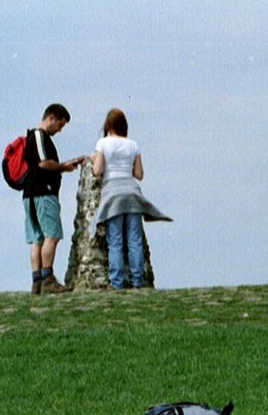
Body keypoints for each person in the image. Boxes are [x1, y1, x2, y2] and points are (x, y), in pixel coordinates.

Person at [88, 108, 171, 289]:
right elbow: (139, 174)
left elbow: (98, 170)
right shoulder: (133, 145)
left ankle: (116, 283)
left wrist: (95, 160)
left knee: (115, 240)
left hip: (113, 194)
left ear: (108, 126)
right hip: (133, 193)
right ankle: (137, 282)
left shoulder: (103, 143)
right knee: (134, 240)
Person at [23, 103, 85, 294]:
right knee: (52, 235)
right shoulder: (39, 136)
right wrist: (64, 167)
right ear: (51, 118)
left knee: (37, 239)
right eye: (60, 125)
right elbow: (44, 163)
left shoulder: (31, 138)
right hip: (43, 192)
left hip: (30, 196)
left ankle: (37, 281)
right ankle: (48, 278)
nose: (59, 130)